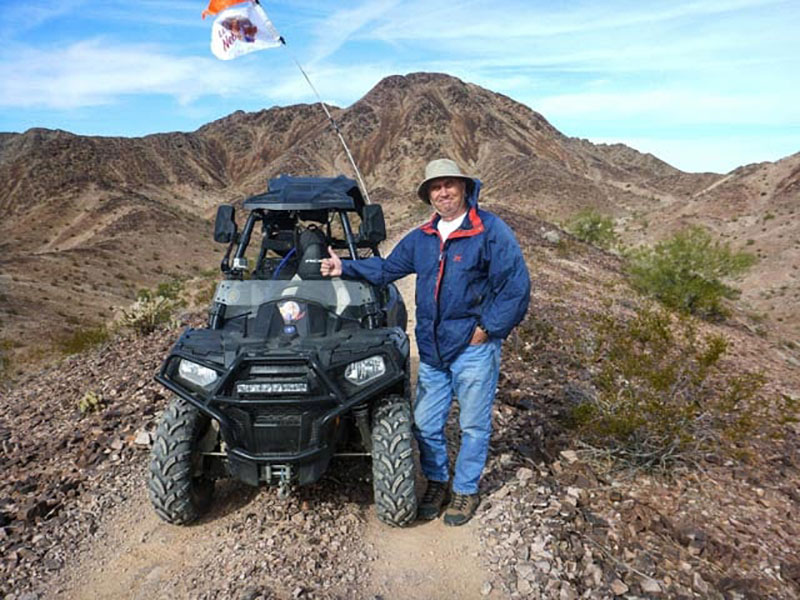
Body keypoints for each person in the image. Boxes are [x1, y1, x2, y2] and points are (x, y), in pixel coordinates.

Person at [321, 158, 530, 526]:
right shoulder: (422, 238)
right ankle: (438, 482)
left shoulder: (490, 230)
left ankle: (465, 490)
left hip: (473, 349)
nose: (444, 192)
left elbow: (515, 286)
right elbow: (388, 270)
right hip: (433, 351)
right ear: (428, 195)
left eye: (450, 184)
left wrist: (488, 329)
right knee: (426, 424)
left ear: (465, 187)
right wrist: (345, 268)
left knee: (474, 425)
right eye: (436, 187)